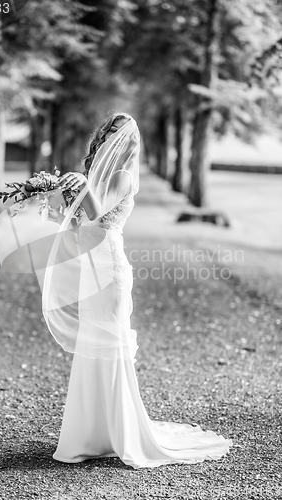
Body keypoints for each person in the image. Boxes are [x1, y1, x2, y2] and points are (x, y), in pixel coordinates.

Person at [42, 112, 233, 469]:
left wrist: (81, 184)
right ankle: (90, 434)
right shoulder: (95, 176)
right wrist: (55, 194)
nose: (110, 137)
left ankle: (121, 432)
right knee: (91, 346)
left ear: (127, 141)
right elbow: (71, 225)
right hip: (90, 271)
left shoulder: (122, 176)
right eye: (108, 131)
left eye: (117, 133)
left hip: (110, 272)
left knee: (108, 346)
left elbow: (98, 215)